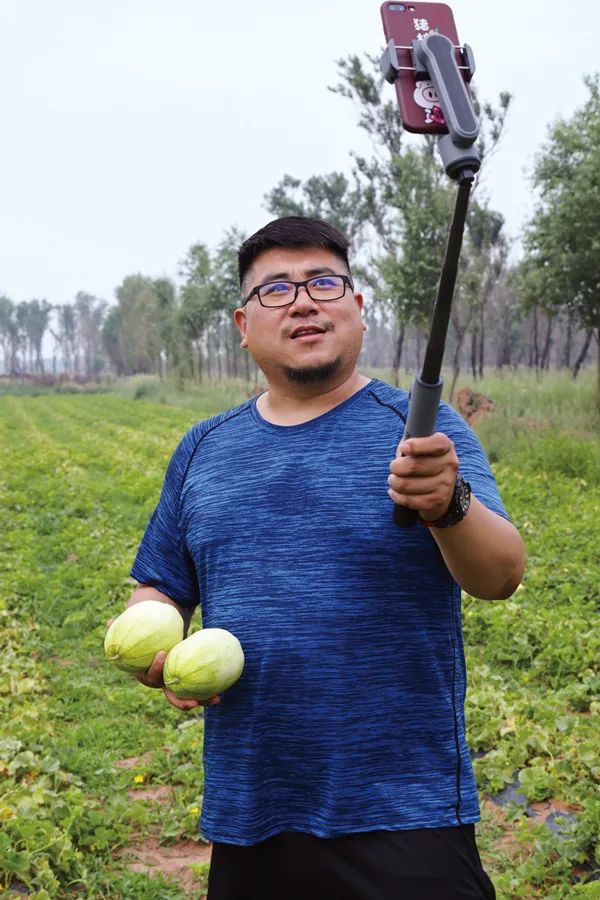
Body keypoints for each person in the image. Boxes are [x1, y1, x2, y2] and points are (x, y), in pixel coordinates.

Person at [125, 216, 526, 900]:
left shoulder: (421, 431)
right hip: (252, 807)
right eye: (274, 289)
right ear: (243, 325)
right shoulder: (204, 449)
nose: (303, 300)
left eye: (322, 281)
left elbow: (501, 575)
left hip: (405, 808)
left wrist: (447, 503)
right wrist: (152, 648)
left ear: (358, 309)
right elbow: (157, 586)